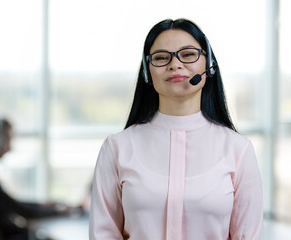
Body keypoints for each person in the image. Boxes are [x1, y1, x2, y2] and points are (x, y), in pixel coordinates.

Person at [89, 18, 263, 240]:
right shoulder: (117, 148)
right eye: (161, 58)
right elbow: (102, 234)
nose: (175, 65)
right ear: (147, 72)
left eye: (188, 54)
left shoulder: (238, 150)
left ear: (208, 64)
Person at [0, 118, 71, 240]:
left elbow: (9, 202)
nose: (9, 147)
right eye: (7, 140)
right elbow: (18, 209)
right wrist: (56, 211)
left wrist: (42, 205)